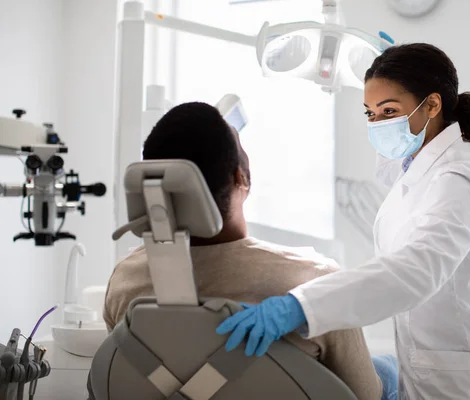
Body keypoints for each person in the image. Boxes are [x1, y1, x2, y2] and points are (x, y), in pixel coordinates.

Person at [217, 43, 470, 400]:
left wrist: (301, 306)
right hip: (435, 368)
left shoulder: (457, 175)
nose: (378, 124)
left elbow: (417, 268)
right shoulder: (418, 165)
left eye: (389, 111)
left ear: (432, 105)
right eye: (370, 113)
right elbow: (393, 175)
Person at [103, 102, 395, 400]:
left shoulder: (125, 280)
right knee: (390, 371)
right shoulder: (315, 282)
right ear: (241, 176)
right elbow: (366, 395)